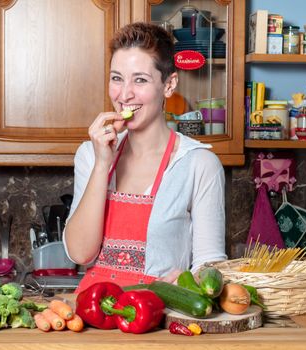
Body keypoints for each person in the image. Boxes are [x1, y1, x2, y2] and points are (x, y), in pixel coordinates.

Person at [63, 22, 226, 292]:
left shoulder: (198, 164)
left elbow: (210, 266)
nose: (124, 94)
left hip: (158, 319)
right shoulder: (90, 154)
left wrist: (190, 282)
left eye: (140, 80)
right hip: (93, 316)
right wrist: (103, 164)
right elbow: (81, 254)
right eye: (117, 78)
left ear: (169, 84)